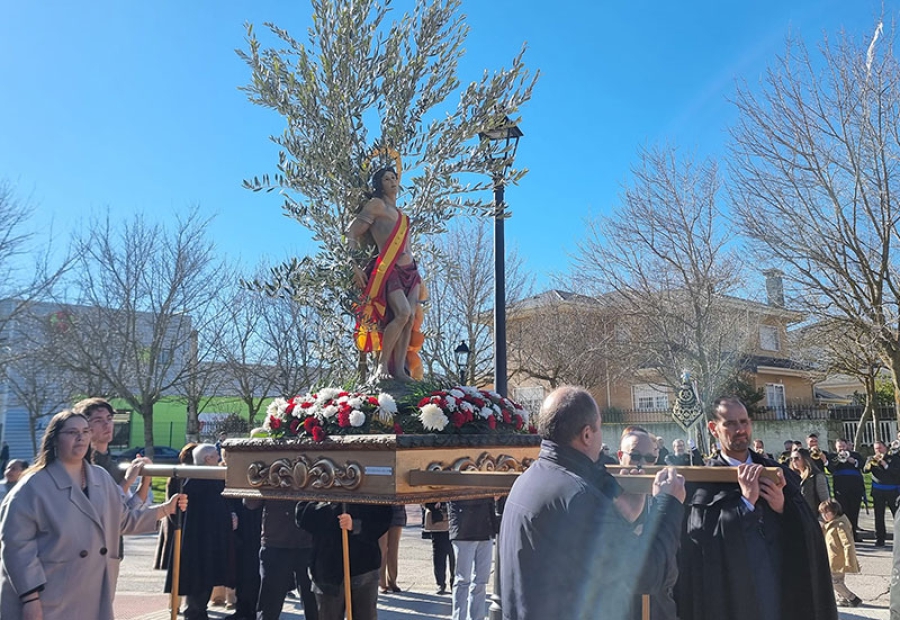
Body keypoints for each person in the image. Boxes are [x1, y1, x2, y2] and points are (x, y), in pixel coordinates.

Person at [499, 386, 686, 620]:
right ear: (587, 434)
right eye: (600, 427)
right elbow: (646, 573)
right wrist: (668, 503)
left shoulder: (526, 479)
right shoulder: (579, 497)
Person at [0, 409, 186, 620]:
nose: (80, 438)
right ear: (54, 439)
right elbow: (17, 548)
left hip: (94, 592)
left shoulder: (101, 478)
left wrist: (165, 509)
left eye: (85, 431)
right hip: (47, 597)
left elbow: (121, 521)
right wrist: (30, 599)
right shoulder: (32, 487)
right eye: (71, 432)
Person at [674, 396, 837, 620]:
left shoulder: (776, 472)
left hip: (778, 587)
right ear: (714, 428)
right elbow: (701, 541)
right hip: (731, 596)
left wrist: (782, 506)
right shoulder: (702, 482)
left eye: (744, 422)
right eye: (730, 423)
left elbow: (807, 534)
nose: (739, 429)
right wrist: (746, 503)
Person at [347, 167, 422, 381]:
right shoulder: (376, 205)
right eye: (386, 179)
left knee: (409, 320)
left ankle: (399, 370)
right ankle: (381, 366)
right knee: (402, 313)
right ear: (379, 184)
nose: (391, 181)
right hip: (390, 269)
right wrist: (352, 264)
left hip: (411, 271)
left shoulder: (403, 217)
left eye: (394, 178)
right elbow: (351, 231)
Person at [164, 443, 235, 620]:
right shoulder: (194, 480)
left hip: (205, 540)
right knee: (198, 582)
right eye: (215, 455)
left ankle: (198, 612)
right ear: (207, 459)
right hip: (197, 541)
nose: (219, 458)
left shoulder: (203, 479)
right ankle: (195, 613)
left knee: (204, 581)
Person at [618, 429, 681, 619]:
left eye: (650, 458)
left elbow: (671, 560)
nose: (642, 464)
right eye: (635, 456)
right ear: (621, 456)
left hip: (660, 606)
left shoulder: (662, 494)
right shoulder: (606, 496)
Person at [297, 501, 392, 620]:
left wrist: (356, 525)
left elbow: (383, 518)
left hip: (363, 566)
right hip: (327, 569)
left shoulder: (371, 485)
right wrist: (330, 508)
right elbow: (302, 516)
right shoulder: (316, 484)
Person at [247, 500, 318, 620]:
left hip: (309, 542)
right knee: (269, 606)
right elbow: (250, 503)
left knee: (315, 606)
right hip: (276, 543)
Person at [73, 397, 152, 503]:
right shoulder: (81, 465)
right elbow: (104, 506)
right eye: (98, 420)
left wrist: (146, 474)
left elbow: (132, 507)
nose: (107, 424)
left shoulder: (112, 465)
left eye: (109, 418)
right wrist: (127, 481)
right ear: (84, 427)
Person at [448, 497, 497, 620]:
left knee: (481, 581)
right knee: (462, 580)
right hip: (464, 530)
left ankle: (477, 617)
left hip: (485, 530)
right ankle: (459, 617)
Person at [818, 499, 862, 608]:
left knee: (834, 581)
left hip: (838, 559)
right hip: (832, 557)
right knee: (839, 580)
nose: (824, 516)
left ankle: (852, 598)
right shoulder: (830, 524)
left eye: (827, 513)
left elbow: (847, 543)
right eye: (822, 513)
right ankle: (843, 598)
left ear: (835, 512)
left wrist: (849, 559)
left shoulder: (839, 525)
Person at [826, 438, 865, 541]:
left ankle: (853, 533)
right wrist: (837, 460)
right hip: (840, 488)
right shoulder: (833, 457)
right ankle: (844, 534)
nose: (842, 449)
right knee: (842, 511)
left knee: (854, 511)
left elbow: (863, 465)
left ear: (847, 446)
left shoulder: (855, 455)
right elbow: (830, 469)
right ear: (836, 447)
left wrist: (854, 461)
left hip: (855, 488)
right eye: (839, 447)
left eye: (843, 446)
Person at [864, 440, 900, 547]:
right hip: (878, 492)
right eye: (876, 448)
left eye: (880, 448)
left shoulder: (894, 459)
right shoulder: (871, 459)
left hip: (892, 491)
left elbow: (896, 472)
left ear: (885, 448)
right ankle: (880, 538)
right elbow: (865, 471)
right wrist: (870, 464)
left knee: (897, 515)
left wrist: (885, 464)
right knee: (879, 516)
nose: (878, 450)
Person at [423, 502, 454, 595]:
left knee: (454, 556)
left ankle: (455, 583)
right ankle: (440, 583)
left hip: (453, 522)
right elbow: (424, 500)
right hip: (437, 523)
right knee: (439, 556)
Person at [790, 448, 830, 513]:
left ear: (805, 459)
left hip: (813, 516)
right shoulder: (792, 477)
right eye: (791, 459)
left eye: (796, 458)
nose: (793, 461)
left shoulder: (817, 476)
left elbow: (825, 502)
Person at [379, 504, 406, 593]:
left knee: (393, 549)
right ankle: (381, 583)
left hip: (397, 510)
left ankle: (392, 581)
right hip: (380, 511)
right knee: (381, 550)